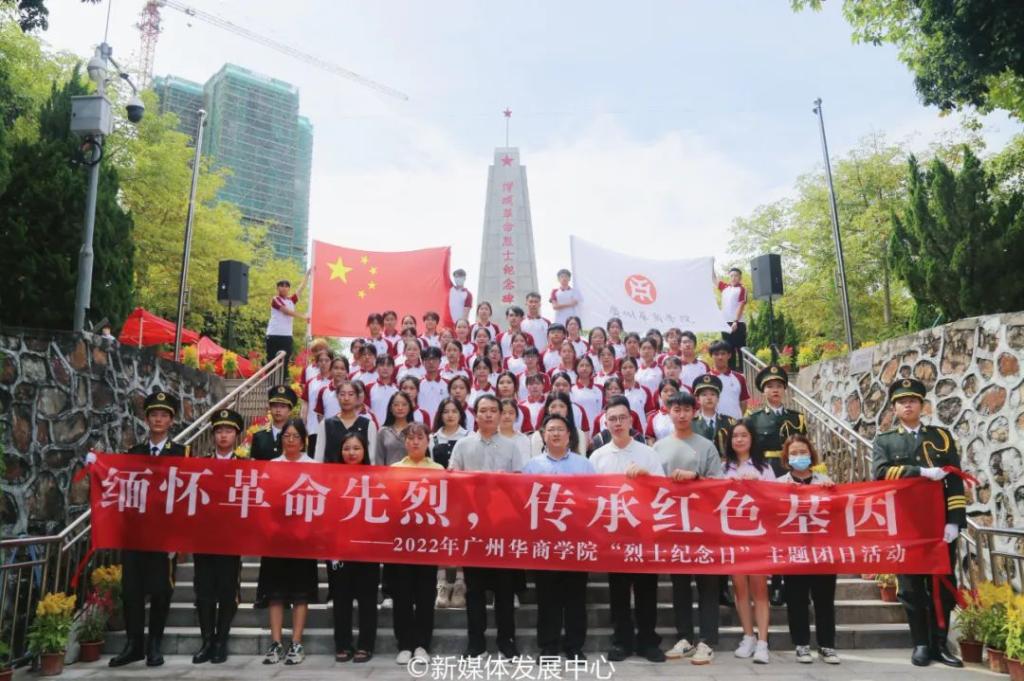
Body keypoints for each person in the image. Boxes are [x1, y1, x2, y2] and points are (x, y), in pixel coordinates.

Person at [872, 378, 966, 668]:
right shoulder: (885, 441)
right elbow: (880, 473)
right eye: (902, 401)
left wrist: (955, 521)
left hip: (939, 525)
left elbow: (955, 480)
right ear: (894, 408)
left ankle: (940, 643)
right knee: (911, 586)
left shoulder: (941, 437)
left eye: (913, 400)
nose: (908, 405)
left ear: (922, 405)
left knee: (942, 583)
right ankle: (921, 644)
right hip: (907, 524)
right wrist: (920, 471)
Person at [108, 391, 189, 668]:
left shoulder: (182, 453)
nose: (158, 419)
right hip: (136, 534)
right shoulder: (134, 453)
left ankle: (154, 643)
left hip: (164, 536)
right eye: (154, 414)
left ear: (171, 420)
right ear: (146, 418)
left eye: (164, 415)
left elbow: (187, 497)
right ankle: (133, 645)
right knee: (131, 590)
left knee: (161, 590)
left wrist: (179, 537)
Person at [448, 394, 527, 659]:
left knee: (505, 590)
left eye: (494, 410)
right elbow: (452, 480)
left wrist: (507, 481)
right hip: (473, 529)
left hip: (503, 528)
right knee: (475, 590)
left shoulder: (512, 447)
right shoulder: (463, 445)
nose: (489, 415)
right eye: (484, 410)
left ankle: (507, 641)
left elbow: (520, 486)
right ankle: (476, 643)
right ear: (475, 414)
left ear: (501, 414)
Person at [589, 397, 666, 663]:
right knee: (618, 591)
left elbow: (663, 490)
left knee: (647, 589)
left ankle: (647, 641)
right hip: (614, 533)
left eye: (622, 418)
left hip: (644, 532)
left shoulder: (648, 453)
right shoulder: (597, 457)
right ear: (605, 423)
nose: (618, 423)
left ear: (631, 420)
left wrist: (647, 477)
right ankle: (621, 640)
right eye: (612, 419)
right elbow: (590, 496)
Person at [654, 393, 723, 665]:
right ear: (668, 412)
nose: (681, 415)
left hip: (703, 524)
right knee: (679, 584)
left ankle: (707, 641)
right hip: (673, 526)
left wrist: (695, 478)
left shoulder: (706, 446)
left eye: (686, 409)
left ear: (694, 412)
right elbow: (652, 486)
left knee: (708, 585)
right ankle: (684, 637)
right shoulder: (658, 448)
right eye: (676, 409)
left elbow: (718, 485)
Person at [522, 414, 596, 659]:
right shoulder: (532, 467)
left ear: (569, 435)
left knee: (576, 596)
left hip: (576, 540)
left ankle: (574, 646)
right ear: (543, 435)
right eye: (551, 429)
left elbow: (594, 499)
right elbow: (524, 502)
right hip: (545, 541)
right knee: (547, 597)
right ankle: (549, 646)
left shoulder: (583, 465)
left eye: (560, 429)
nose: (555, 433)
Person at [256, 419, 319, 666]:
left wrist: (307, 531)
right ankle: (275, 642)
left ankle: (296, 642)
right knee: (275, 593)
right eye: (286, 436)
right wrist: (270, 528)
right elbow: (263, 500)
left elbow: (319, 503)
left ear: (303, 441)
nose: (290, 440)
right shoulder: (273, 466)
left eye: (295, 436)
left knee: (300, 593)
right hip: (276, 539)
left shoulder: (313, 466)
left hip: (303, 539)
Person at [777, 435, 840, 665]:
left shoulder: (824, 481)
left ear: (811, 454)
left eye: (803, 452)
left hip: (822, 550)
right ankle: (801, 644)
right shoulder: (779, 483)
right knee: (796, 599)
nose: (799, 456)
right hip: (794, 551)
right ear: (787, 457)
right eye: (793, 453)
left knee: (824, 599)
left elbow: (837, 512)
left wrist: (832, 492)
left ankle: (827, 645)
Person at [192, 409, 244, 665]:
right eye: (219, 431)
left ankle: (221, 640)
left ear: (236, 435)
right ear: (213, 435)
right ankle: (207, 641)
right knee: (204, 592)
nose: (224, 435)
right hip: (203, 538)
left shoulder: (245, 466)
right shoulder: (199, 464)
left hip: (231, 540)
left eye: (229, 431)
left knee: (226, 591)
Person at [388, 423, 444, 664]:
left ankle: (422, 644)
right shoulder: (394, 470)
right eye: (410, 438)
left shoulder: (438, 470)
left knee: (425, 595)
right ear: (404, 442)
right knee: (401, 595)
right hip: (401, 541)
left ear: (428, 441)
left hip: (427, 542)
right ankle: (404, 644)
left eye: (420, 437)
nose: (415, 442)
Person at [325, 432, 380, 663]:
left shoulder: (375, 478)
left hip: (367, 548)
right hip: (339, 548)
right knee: (341, 598)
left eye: (356, 448)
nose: (351, 453)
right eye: (347, 448)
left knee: (367, 599)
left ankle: (366, 645)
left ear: (365, 451)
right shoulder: (331, 477)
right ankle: (343, 644)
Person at [723, 421, 775, 665]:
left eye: (744, 435)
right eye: (735, 436)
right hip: (732, 536)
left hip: (757, 536)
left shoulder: (764, 468)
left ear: (752, 438)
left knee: (759, 588)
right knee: (739, 588)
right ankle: (748, 636)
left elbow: (775, 500)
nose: (740, 440)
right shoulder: (724, 468)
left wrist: (759, 486)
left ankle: (763, 641)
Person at [430, 398, 469, 610]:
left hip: (463, 494)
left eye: (454, 411)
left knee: (462, 535)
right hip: (439, 494)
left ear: (461, 414)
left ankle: (461, 582)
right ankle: (442, 581)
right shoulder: (433, 437)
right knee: (441, 536)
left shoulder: (468, 436)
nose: (450, 415)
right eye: (446, 411)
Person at [314, 380, 378, 464]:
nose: (346, 398)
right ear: (337, 397)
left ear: (357, 398)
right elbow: (318, 457)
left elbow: (372, 458)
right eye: (342, 394)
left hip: (359, 472)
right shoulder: (326, 425)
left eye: (351, 394)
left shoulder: (368, 425)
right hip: (332, 472)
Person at [265, 272, 309, 368]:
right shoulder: (276, 299)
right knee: (272, 362)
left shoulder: (291, 300)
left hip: (287, 336)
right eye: (281, 286)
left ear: (289, 288)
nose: (284, 288)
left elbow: (300, 289)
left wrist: (307, 275)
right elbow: (285, 311)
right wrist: (303, 317)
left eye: (286, 286)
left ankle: (283, 378)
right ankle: (270, 378)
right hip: (274, 335)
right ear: (277, 288)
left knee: (285, 362)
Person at [691, 374, 736, 456]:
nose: (709, 398)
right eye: (704, 395)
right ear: (697, 399)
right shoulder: (691, 424)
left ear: (718, 399)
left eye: (712, 394)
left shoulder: (729, 422)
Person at [250, 386, 298, 461]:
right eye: (275, 406)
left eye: (283, 407)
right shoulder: (259, 436)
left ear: (290, 411)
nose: (278, 410)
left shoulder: (296, 437)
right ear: (270, 409)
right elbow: (254, 463)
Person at [708, 341, 749, 419]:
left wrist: (737, 419)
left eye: (723, 353)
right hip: (713, 423)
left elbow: (743, 402)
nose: (720, 357)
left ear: (729, 355)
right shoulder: (705, 379)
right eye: (716, 354)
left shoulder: (739, 378)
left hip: (735, 422)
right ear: (711, 356)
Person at [718, 267, 747, 370]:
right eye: (732, 276)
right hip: (725, 323)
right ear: (729, 277)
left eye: (736, 275)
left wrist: (736, 321)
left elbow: (741, 305)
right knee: (728, 349)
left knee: (740, 349)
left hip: (738, 323)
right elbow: (714, 280)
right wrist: (711, 264)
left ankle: (744, 372)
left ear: (740, 277)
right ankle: (731, 372)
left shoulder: (742, 289)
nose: (734, 278)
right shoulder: (725, 288)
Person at [375, 391, 415, 466]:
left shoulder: (415, 431)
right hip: (388, 473)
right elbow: (379, 459)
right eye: (396, 405)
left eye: (404, 405)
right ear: (390, 408)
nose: (400, 408)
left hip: (411, 472)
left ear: (410, 407)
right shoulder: (383, 431)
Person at [644, 378, 680, 444]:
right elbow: (650, 438)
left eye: (672, 390)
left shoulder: (684, 414)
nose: (669, 394)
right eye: (665, 391)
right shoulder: (653, 417)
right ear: (660, 395)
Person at [365, 355, 399, 425]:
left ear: (393, 368)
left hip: (394, 429)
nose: (385, 368)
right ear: (376, 368)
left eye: (388, 365)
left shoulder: (398, 389)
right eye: (382, 365)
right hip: (374, 428)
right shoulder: (368, 388)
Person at [418, 347, 448, 421]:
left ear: (440, 361)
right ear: (422, 362)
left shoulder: (448, 384)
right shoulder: (417, 384)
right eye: (427, 359)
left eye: (434, 359)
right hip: (421, 423)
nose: (431, 362)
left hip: (442, 423)